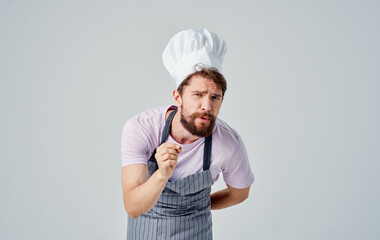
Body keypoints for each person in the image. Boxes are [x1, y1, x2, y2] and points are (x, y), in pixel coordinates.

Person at [121, 28, 255, 240]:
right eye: (198, 95)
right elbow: (133, 207)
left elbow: (240, 193)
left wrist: (197, 207)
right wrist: (162, 174)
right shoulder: (142, 128)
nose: (207, 106)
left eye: (215, 97)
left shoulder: (229, 143)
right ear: (178, 97)